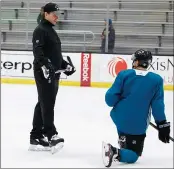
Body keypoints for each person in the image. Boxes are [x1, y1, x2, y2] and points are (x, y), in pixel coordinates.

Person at [102, 49, 170, 167]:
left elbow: (110, 99)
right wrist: (162, 123)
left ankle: (123, 139)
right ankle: (114, 151)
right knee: (134, 155)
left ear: (137, 62)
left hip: (119, 117)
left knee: (125, 127)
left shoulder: (124, 74)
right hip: (137, 124)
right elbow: (157, 105)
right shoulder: (156, 80)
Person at [29, 2, 76, 154]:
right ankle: (51, 135)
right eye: (54, 13)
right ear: (46, 14)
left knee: (43, 102)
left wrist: (65, 65)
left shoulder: (50, 30)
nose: (57, 16)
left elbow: (54, 55)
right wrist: (45, 66)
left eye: (58, 13)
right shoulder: (40, 30)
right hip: (44, 73)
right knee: (47, 103)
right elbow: (38, 52)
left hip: (53, 73)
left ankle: (36, 136)